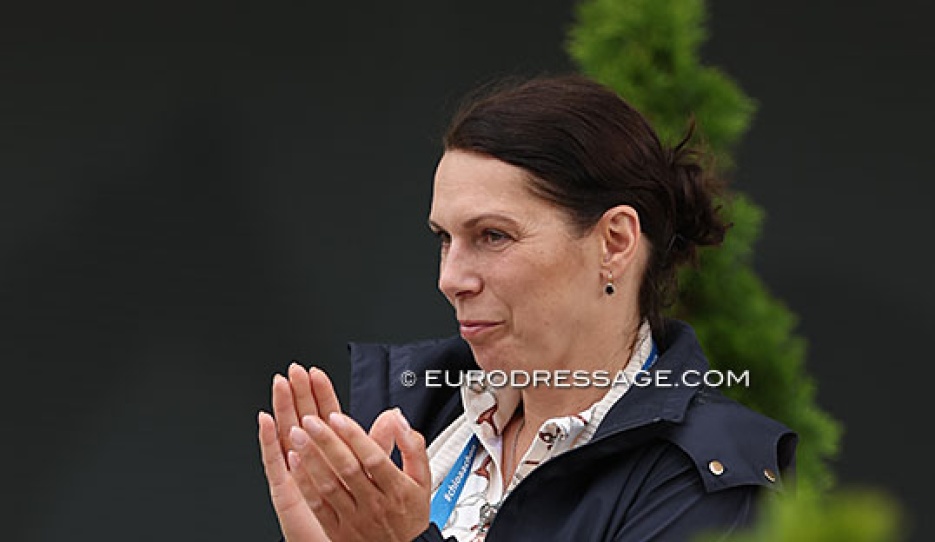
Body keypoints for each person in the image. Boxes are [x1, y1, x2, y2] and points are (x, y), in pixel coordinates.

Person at [257, 74, 797, 541]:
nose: (450, 279)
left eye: (493, 235)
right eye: (444, 238)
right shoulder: (414, 421)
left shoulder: (707, 478)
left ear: (614, 242)